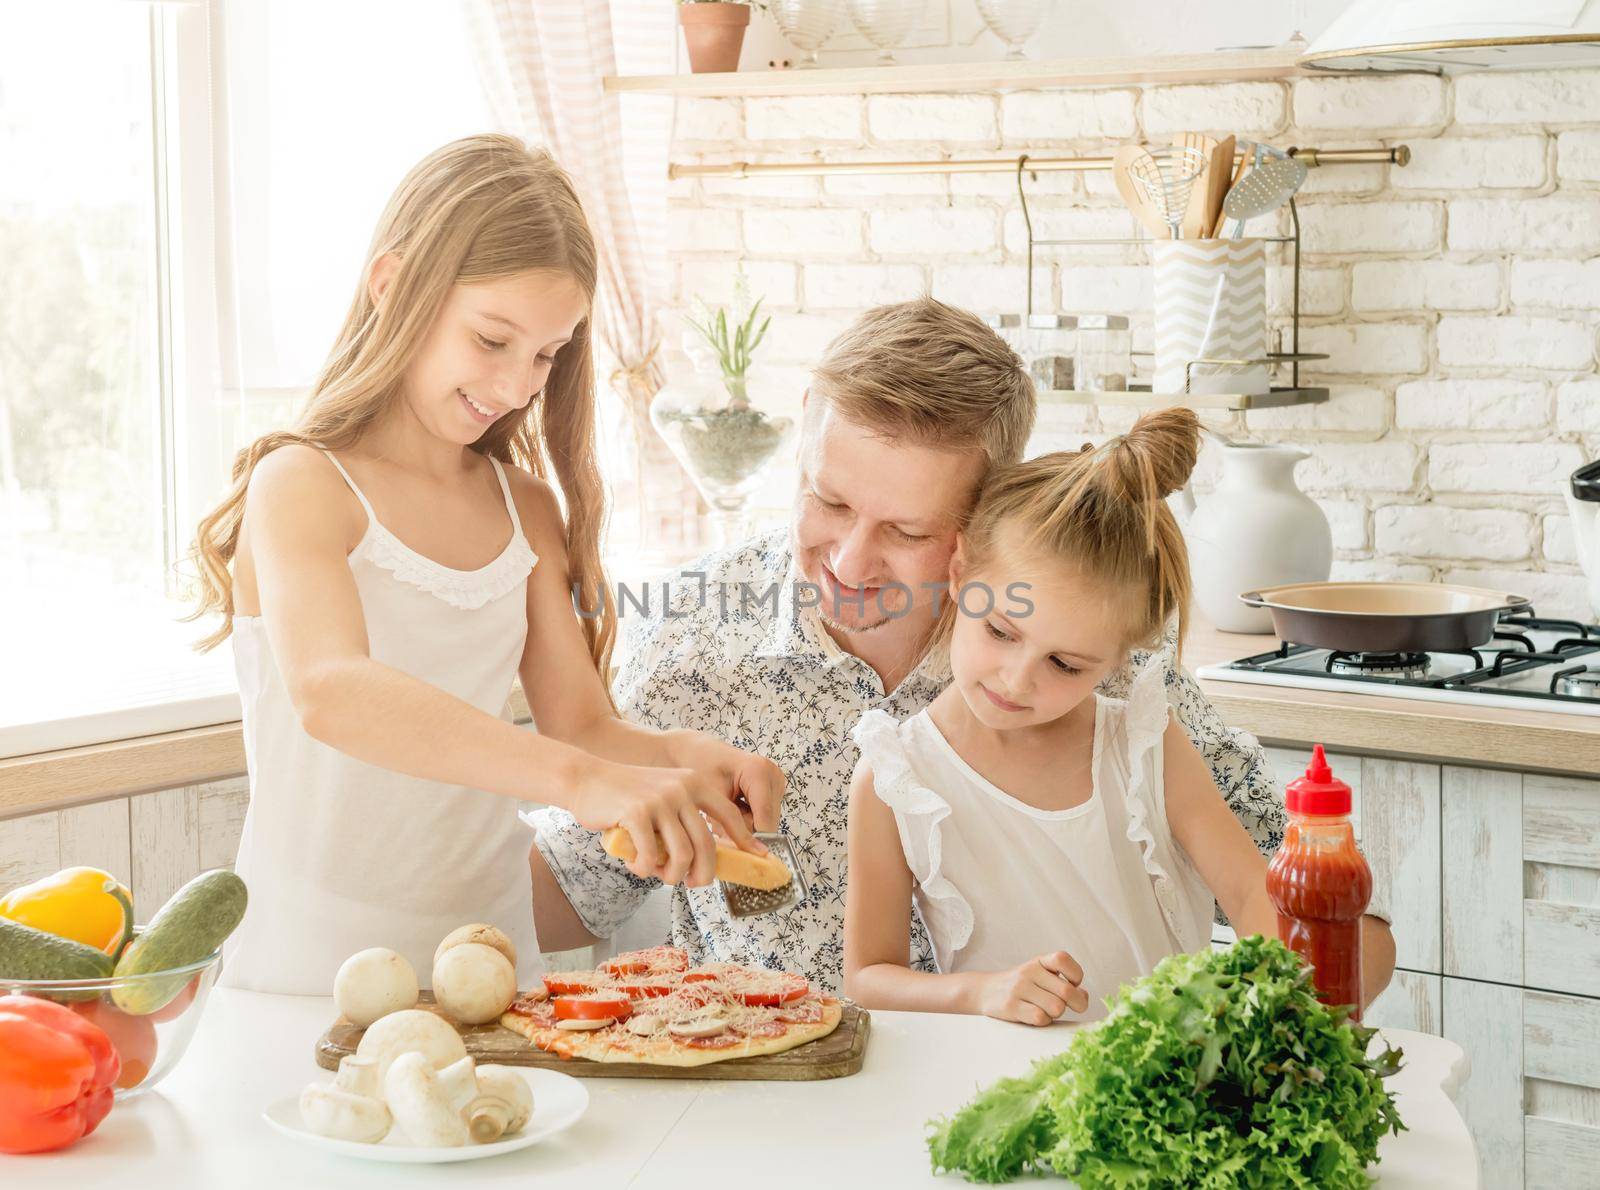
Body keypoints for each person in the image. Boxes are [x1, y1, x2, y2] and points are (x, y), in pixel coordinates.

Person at [531, 297, 1354, 992]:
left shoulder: (1082, 655)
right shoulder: (694, 635)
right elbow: (573, 883)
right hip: (767, 1114)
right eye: (829, 502)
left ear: (978, 529)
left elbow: (1308, 912)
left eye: (908, 531)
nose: (851, 563)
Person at [188, 135, 781, 994]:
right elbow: (331, 689)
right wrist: (585, 782)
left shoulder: (525, 509)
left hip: (495, 971)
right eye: (493, 340)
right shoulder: (303, 483)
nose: (516, 387)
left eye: (547, 355)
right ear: (393, 287)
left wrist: (682, 761)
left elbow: (580, 724)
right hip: (307, 974)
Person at [843, 408, 1396, 1023]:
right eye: (1000, 631)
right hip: (1001, 1090)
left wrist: (1293, 1003)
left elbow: (1247, 893)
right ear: (960, 575)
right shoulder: (896, 777)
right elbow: (869, 977)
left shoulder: (1144, 744)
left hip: (1166, 1083)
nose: (1016, 678)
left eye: (1066, 665)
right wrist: (980, 992)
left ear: (1117, 660)